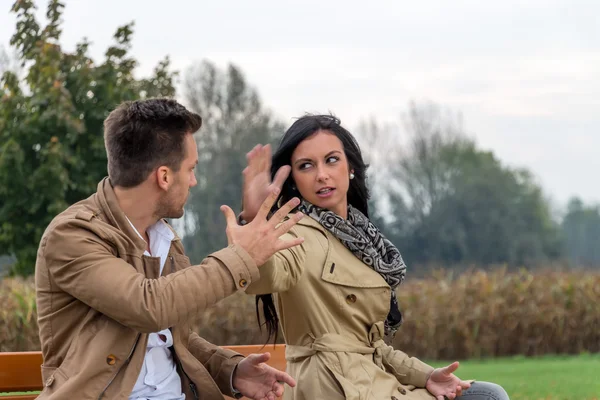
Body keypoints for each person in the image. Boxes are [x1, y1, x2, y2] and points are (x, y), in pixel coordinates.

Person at [34, 98, 305, 400]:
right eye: (190, 169)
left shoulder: (165, 239)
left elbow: (175, 340)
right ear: (164, 177)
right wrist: (240, 259)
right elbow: (148, 306)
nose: (194, 180)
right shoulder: (72, 234)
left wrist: (232, 370)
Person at [238, 114, 510, 400]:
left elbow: (369, 346)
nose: (322, 175)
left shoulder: (362, 239)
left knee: (485, 394)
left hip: (372, 382)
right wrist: (255, 223)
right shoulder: (295, 234)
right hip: (333, 388)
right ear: (293, 178)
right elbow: (263, 275)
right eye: (306, 166)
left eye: (331, 160)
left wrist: (427, 375)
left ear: (351, 167)